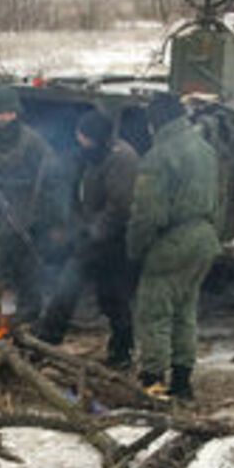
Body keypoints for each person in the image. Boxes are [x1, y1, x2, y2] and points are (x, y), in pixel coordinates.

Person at [126, 93, 220, 400]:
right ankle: (182, 381)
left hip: (173, 240)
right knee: (185, 309)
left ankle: (153, 382)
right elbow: (221, 197)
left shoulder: (158, 157)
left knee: (155, 311)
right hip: (204, 235)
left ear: (155, 122)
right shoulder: (205, 149)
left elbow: (148, 214)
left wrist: (135, 250)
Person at [36, 108, 138, 368]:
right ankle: (47, 340)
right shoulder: (93, 156)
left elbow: (120, 207)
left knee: (108, 295)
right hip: (94, 234)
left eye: (84, 138)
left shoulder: (121, 159)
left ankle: (120, 351)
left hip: (113, 240)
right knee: (82, 288)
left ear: (97, 138)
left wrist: (94, 233)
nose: (80, 142)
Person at [0, 85, 64, 322]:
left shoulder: (32, 141)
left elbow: (52, 177)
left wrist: (49, 216)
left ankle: (28, 321)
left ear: (16, 112)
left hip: (22, 216)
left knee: (27, 273)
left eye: (9, 112)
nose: (4, 119)